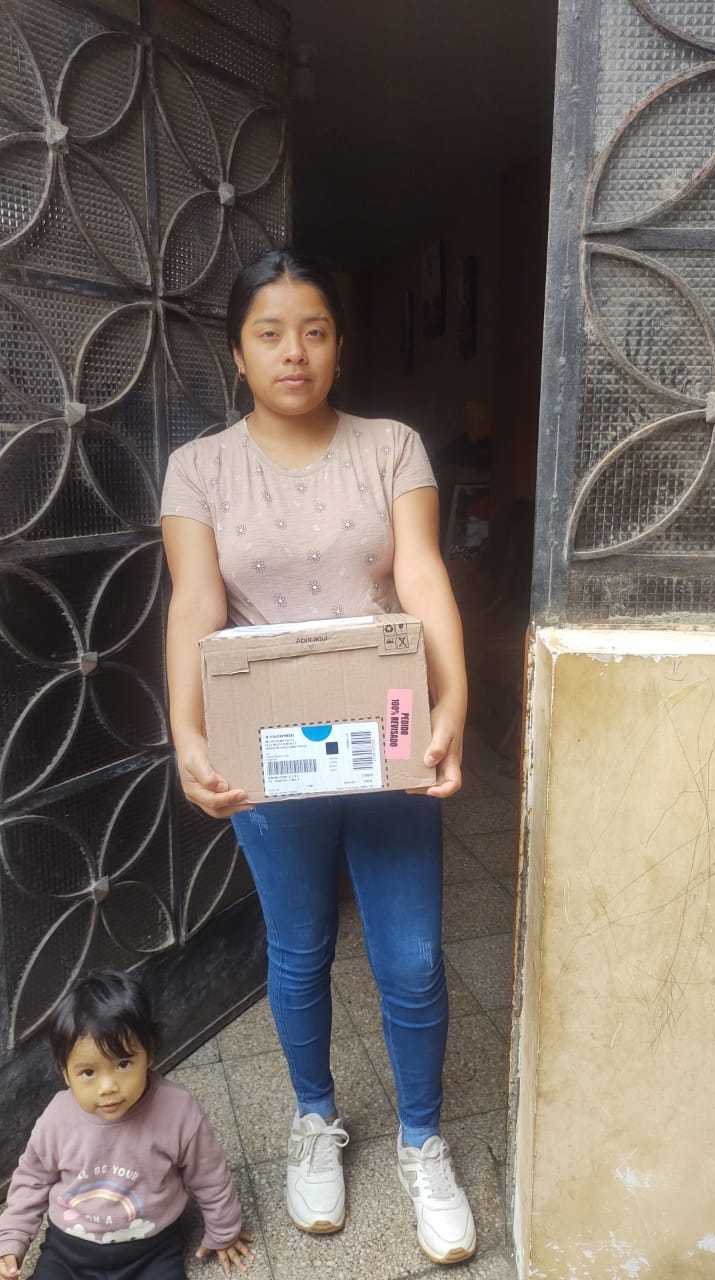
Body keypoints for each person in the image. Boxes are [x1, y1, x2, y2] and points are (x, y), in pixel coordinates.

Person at [160, 248, 476, 1266]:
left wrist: (453, 701)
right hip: (270, 752)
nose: (293, 351)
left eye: (314, 330)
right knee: (296, 948)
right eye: (270, 332)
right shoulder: (200, 467)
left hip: (385, 737)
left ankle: (422, 1140)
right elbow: (196, 604)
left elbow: (421, 574)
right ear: (237, 353)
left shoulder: (391, 447)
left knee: (412, 959)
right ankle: (314, 1118)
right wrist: (188, 733)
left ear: (338, 347)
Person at [0, 972, 254, 1280]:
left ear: (149, 1054)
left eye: (123, 1064)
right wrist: (11, 1241)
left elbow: (209, 1174)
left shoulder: (177, 1110)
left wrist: (225, 1230)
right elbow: (32, 1180)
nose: (108, 1087)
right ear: (65, 1073)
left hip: (152, 1249)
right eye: (88, 1072)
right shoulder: (57, 1118)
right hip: (69, 1251)